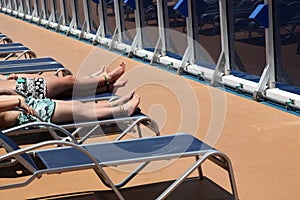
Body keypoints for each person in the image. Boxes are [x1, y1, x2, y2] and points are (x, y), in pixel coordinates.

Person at [0, 91, 140, 129]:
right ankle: (123, 110)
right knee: (82, 112)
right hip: (30, 115)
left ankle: (114, 104)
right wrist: (18, 100)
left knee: (78, 105)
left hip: (31, 107)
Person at [0, 62, 128, 99]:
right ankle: (106, 79)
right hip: (20, 90)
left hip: (18, 87)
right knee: (69, 81)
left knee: (64, 91)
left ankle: (106, 87)